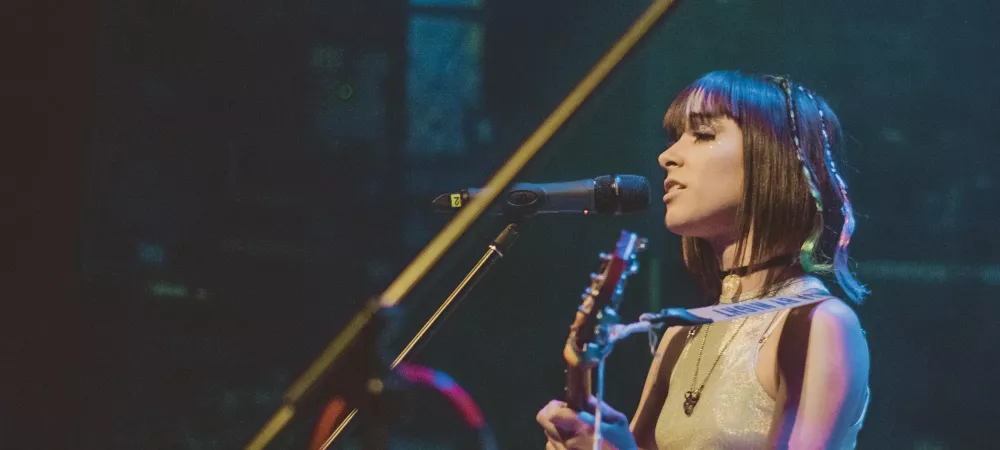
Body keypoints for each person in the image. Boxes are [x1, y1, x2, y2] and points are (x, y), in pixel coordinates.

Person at [536, 71, 871, 449]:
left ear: (771, 158)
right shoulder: (679, 336)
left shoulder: (818, 324)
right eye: (675, 138)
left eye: (704, 135)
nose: (667, 156)